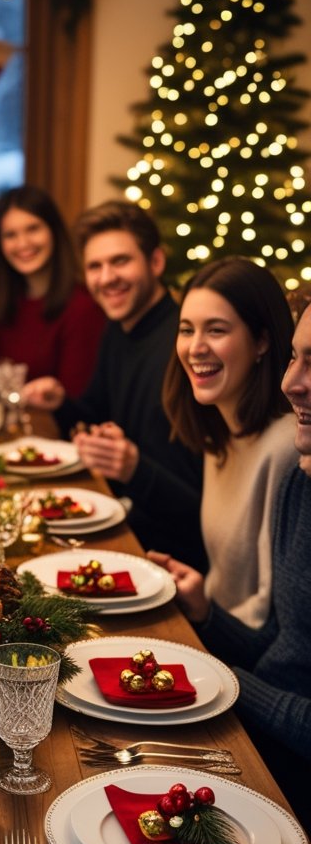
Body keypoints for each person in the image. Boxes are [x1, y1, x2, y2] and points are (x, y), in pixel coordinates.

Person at [149, 300, 311, 830]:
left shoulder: (285, 458)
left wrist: (230, 682)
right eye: (296, 359)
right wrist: (208, 615)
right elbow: (285, 648)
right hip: (256, 723)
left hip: (285, 767)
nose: (294, 385)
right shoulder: (301, 482)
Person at [22, 201, 204, 567]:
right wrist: (61, 402)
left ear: (155, 262)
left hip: (170, 558)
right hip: (123, 529)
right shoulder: (119, 329)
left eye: (120, 261)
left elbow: (206, 511)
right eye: (95, 266)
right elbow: (94, 413)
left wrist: (135, 469)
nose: (106, 278)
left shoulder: (186, 346)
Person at [162, 258, 296, 626]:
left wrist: (206, 618)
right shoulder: (219, 434)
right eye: (186, 330)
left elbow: (270, 618)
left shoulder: (285, 448)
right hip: (208, 629)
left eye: (216, 330)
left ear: (262, 341)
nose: (195, 348)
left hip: (241, 660)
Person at [0, 185, 106, 395]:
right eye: (10, 234)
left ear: (54, 231)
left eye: (33, 229)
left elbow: (77, 400)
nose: (23, 243)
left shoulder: (82, 307)